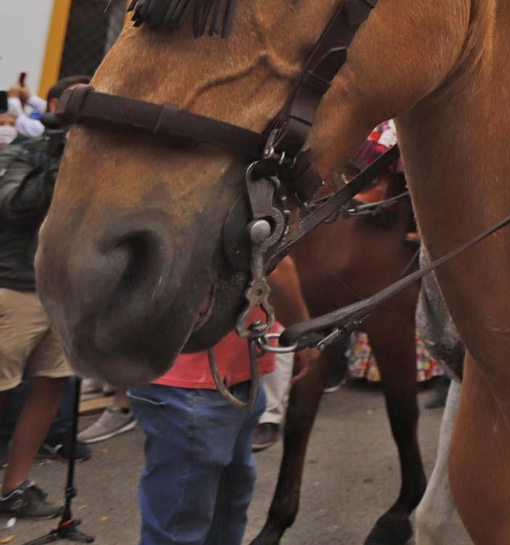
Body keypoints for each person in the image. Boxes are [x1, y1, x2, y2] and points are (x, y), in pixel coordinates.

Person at [128, 261, 307, 545]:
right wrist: (304, 336)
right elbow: (277, 268)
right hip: (196, 383)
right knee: (184, 529)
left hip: (217, 376)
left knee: (219, 516)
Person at [0, 75, 87, 519]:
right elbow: (13, 205)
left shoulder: (97, 160)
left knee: (52, 384)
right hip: (14, 287)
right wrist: (56, 159)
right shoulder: (23, 150)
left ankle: (13, 486)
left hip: (62, 295)